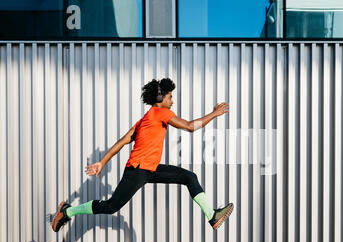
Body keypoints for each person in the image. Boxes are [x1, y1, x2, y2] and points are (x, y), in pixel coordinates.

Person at [52, 78, 233, 233]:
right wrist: (215, 113)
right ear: (160, 98)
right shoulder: (161, 113)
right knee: (111, 207)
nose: (172, 101)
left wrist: (102, 162)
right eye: (170, 97)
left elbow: (122, 141)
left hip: (150, 168)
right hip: (138, 171)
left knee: (189, 177)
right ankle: (67, 211)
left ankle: (212, 216)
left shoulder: (145, 120)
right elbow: (190, 126)